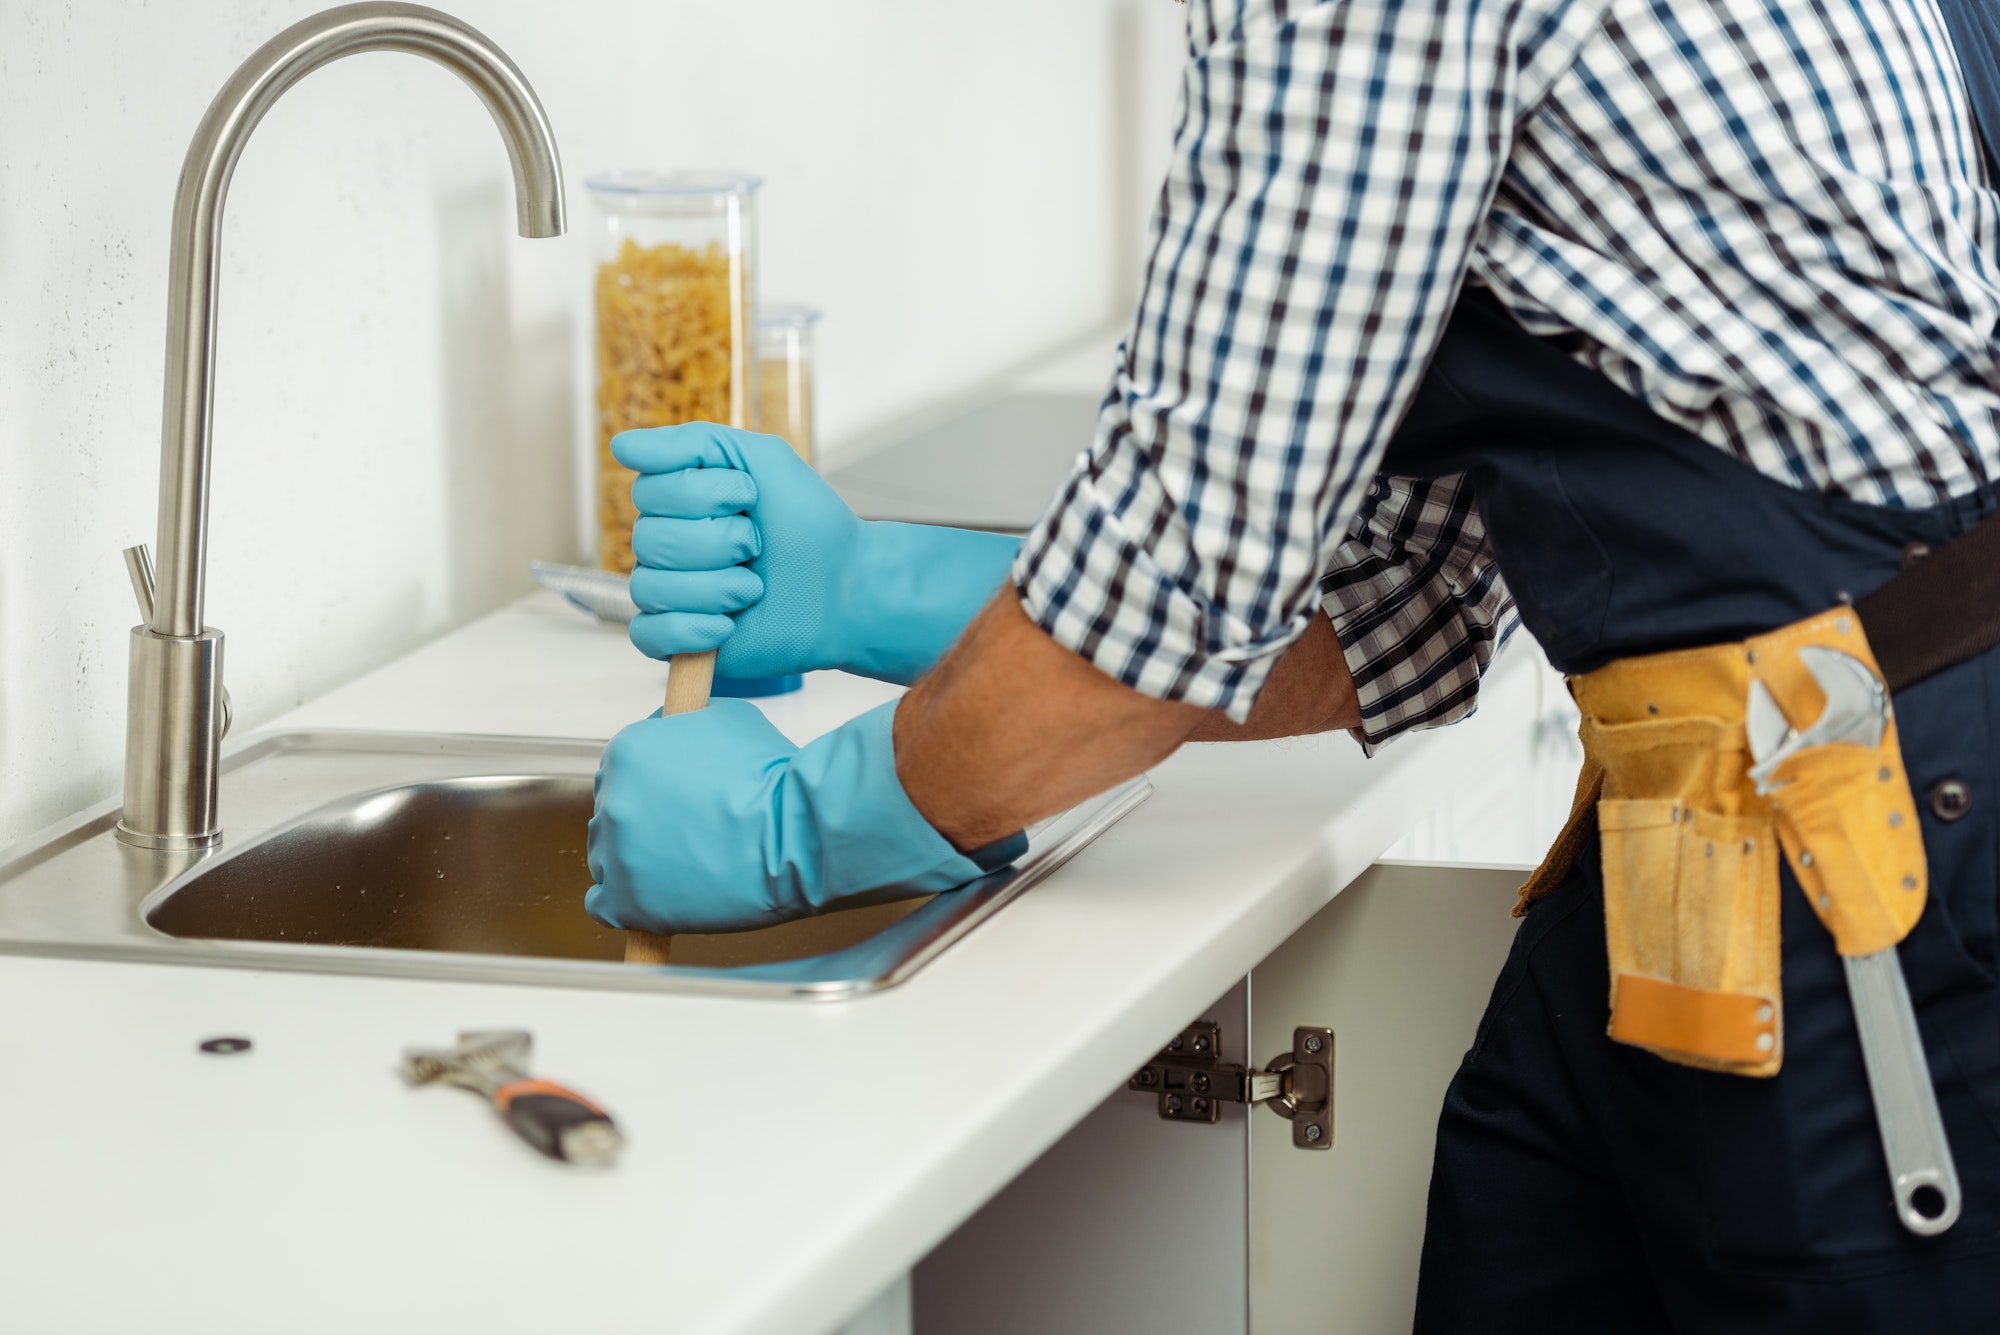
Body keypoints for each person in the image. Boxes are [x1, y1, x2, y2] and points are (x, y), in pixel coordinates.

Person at [585, 0, 2000, 1325]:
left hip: (1856, 827)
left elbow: (1195, 554)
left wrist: (803, 831)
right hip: (1704, 809)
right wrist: (873, 592)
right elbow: (1413, 586)